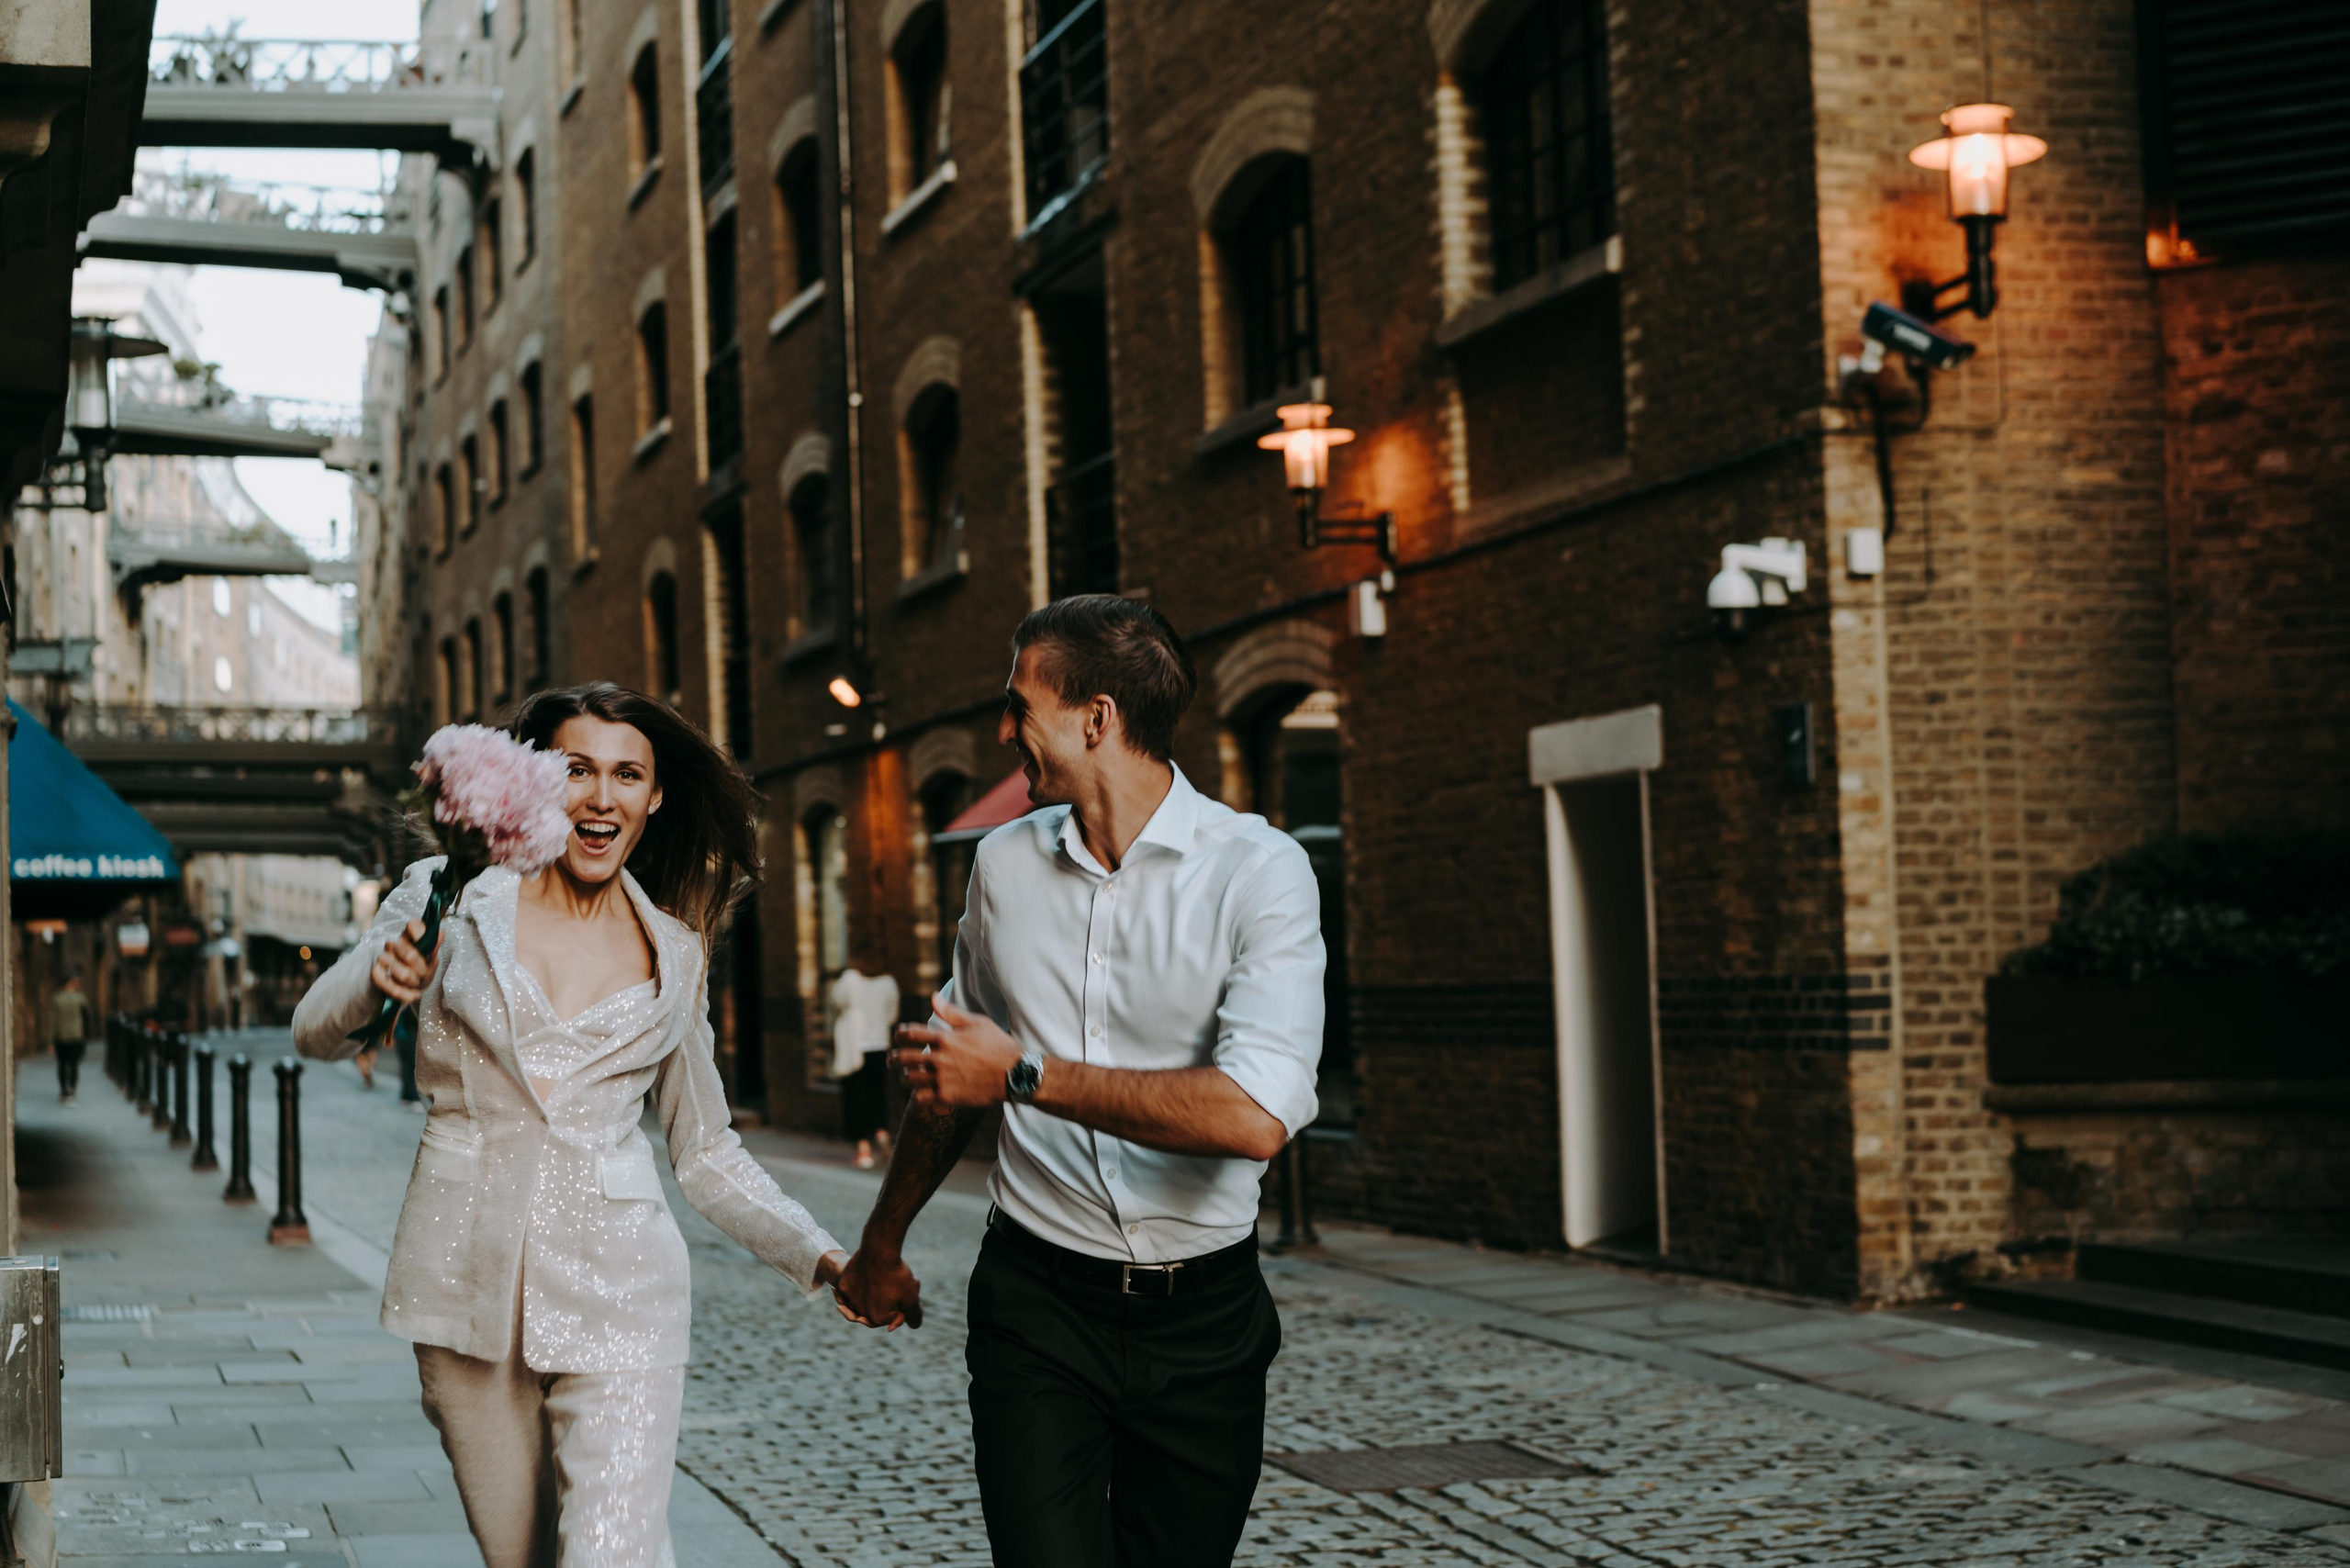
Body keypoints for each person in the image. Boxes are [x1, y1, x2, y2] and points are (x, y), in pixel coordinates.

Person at [292, 683, 856, 1568]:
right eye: (576, 769)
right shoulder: (451, 897)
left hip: (625, 1295)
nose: (602, 797)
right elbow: (313, 1029)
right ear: (532, 781)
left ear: (654, 795)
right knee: (523, 1559)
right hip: (463, 1289)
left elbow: (704, 1149)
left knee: (608, 1556)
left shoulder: (676, 952)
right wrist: (376, 976)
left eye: (627, 774)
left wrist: (822, 1256)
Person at [834, 596, 1326, 1567]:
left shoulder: (1258, 872)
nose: (1005, 729)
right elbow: (951, 1073)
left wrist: (1023, 1073)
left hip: (1204, 1324)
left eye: (1019, 705)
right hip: (1037, 1306)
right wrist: (879, 1244)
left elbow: (1256, 1115)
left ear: (1096, 717)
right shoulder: (1002, 866)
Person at [828, 960, 900, 1168]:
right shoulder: (889, 984)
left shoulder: (849, 980)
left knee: (855, 1096)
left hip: (855, 1048)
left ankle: (864, 1150)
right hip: (879, 1045)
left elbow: (836, 1001)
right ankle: (882, 1133)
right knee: (877, 1093)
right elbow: (891, 1016)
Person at [50, 971, 91, 1103]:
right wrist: (86, 1035)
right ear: (71, 983)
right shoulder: (80, 998)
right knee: (73, 1064)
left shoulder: (57, 998)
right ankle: (72, 1089)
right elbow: (87, 1017)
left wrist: (51, 1041)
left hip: (61, 1036)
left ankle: (63, 1091)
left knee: (62, 1064)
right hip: (76, 1035)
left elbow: (52, 1021)